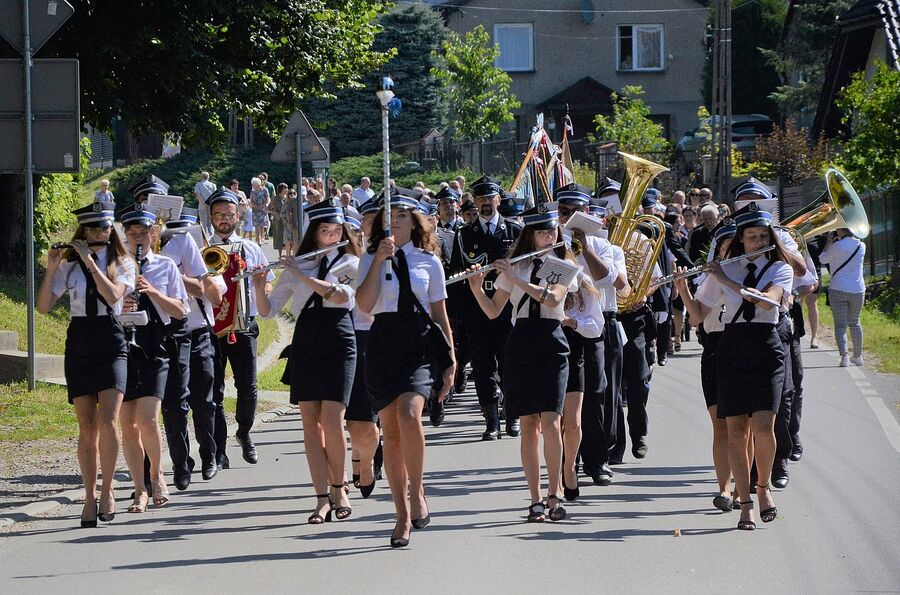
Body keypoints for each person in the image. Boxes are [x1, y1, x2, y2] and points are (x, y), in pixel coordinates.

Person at [356, 189, 455, 548]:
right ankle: (400, 514)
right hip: (382, 341)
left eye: (402, 216)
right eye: (390, 217)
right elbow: (364, 307)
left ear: (415, 223)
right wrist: (380, 260)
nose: (395, 222)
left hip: (418, 343)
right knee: (391, 434)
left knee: (410, 413)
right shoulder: (370, 259)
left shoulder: (429, 261)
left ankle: (419, 492)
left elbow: (440, 314)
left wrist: (451, 362)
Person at [467, 204, 577, 522]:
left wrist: (516, 278)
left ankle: (555, 495)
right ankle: (535, 499)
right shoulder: (519, 264)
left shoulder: (562, 263)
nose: (547, 236)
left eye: (551, 230)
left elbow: (553, 298)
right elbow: (493, 311)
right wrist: (476, 287)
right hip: (520, 342)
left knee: (553, 421)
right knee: (529, 425)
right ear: (530, 234)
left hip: (552, 340)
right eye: (541, 232)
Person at [692, 205, 793, 530]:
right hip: (731, 348)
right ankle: (746, 502)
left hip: (766, 345)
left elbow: (766, 301)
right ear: (742, 239)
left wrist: (725, 279)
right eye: (753, 237)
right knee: (736, 430)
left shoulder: (780, 268)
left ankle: (763, 488)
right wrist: (681, 286)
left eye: (764, 236)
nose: (759, 241)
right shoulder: (724, 268)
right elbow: (698, 315)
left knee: (765, 427)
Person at [257, 202, 360, 524]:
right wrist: (260, 285)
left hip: (339, 336)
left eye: (337, 232)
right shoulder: (297, 264)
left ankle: (340, 488)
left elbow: (341, 296)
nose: (332, 237)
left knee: (333, 418)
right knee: (310, 425)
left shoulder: (351, 262)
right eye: (325, 232)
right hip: (306, 338)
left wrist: (302, 273)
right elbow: (268, 311)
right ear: (314, 234)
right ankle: (320, 497)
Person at [37, 199, 133, 527]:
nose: (98, 232)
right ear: (83, 230)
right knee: (86, 425)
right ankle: (89, 496)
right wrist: (52, 266)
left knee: (109, 419)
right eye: (91, 227)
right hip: (79, 340)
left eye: (104, 227)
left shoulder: (122, 261)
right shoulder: (70, 265)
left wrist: (92, 263)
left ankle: (108, 491)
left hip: (111, 337)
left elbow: (113, 297)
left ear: (111, 229)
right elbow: (44, 307)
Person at [119, 206, 189, 513]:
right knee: (127, 424)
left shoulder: (165, 266)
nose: (139, 239)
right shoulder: (116, 267)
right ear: (125, 236)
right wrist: (123, 301)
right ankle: (138, 490)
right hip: (123, 345)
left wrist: (153, 291)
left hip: (155, 346)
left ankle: (157, 475)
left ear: (154, 234)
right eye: (132, 234)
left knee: (147, 418)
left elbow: (181, 310)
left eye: (144, 233)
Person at [555, 184, 619, 493]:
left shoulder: (602, 245)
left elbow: (610, 281)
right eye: (564, 212)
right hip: (559, 326)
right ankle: (569, 462)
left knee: (595, 393)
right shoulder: (550, 242)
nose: (568, 218)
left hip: (593, 326)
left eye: (575, 213)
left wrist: (584, 247)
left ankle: (597, 460)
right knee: (561, 400)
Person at [448, 175, 522, 440]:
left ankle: (512, 415)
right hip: (475, 310)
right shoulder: (464, 235)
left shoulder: (514, 232)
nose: (486, 204)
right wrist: (456, 315)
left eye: (490, 198)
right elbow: (455, 273)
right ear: (474, 202)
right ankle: (491, 420)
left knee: (510, 365)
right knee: (482, 367)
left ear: (499, 200)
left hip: (507, 309)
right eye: (480, 199)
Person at [207, 187, 275, 469]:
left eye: (228, 214)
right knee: (215, 391)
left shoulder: (252, 247)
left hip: (244, 325)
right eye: (218, 215)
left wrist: (262, 286)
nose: (223, 219)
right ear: (210, 217)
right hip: (211, 329)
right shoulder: (201, 247)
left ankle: (244, 432)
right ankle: (218, 448)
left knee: (248, 387)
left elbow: (266, 282)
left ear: (239, 215)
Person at [675, 220, 738, 512]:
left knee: (743, 426)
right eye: (725, 247)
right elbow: (698, 318)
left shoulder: (752, 275)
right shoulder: (711, 278)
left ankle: (743, 486)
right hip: (714, 349)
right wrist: (683, 289)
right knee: (720, 425)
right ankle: (723, 488)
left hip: (743, 346)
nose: (729, 251)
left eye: (733, 246)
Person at [160, 208, 224, 489]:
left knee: (205, 401)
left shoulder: (207, 263)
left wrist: (182, 273)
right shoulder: (158, 260)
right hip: (170, 335)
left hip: (199, 335)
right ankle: (181, 463)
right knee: (175, 405)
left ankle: (208, 455)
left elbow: (214, 295)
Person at [341, 209, 383, 497]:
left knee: (369, 415)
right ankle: (359, 456)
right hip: (339, 337)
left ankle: (366, 460)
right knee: (352, 416)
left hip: (371, 336)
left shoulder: (370, 260)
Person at [821, 228, 866, 367]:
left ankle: (844, 357)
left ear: (841, 230)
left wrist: (828, 242)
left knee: (840, 325)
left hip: (838, 289)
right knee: (855, 322)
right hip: (858, 290)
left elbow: (822, 259)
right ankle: (858, 357)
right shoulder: (861, 245)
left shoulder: (837, 245)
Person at [248, 177, 270, 246]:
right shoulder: (252, 191)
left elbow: (268, 198)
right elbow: (251, 201)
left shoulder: (264, 190)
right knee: (257, 224)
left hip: (263, 209)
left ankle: (261, 237)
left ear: (257, 184)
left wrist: (266, 204)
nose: (252, 186)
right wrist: (257, 206)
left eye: (253, 184)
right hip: (255, 210)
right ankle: (258, 239)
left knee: (262, 224)